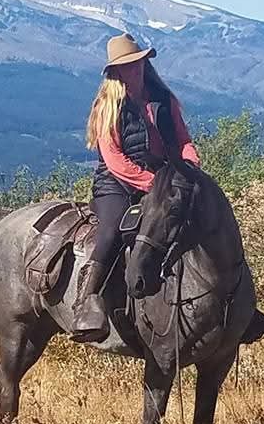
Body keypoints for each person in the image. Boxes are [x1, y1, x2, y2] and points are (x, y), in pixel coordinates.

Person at [72, 33, 201, 342]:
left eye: (138, 63)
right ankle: (88, 301)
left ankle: (230, 302)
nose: (135, 69)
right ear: (116, 73)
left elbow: (182, 141)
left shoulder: (163, 101)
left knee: (206, 219)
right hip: (115, 186)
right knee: (112, 230)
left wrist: (190, 165)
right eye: (127, 66)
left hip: (162, 180)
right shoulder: (109, 107)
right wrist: (155, 183)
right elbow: (115, 161)